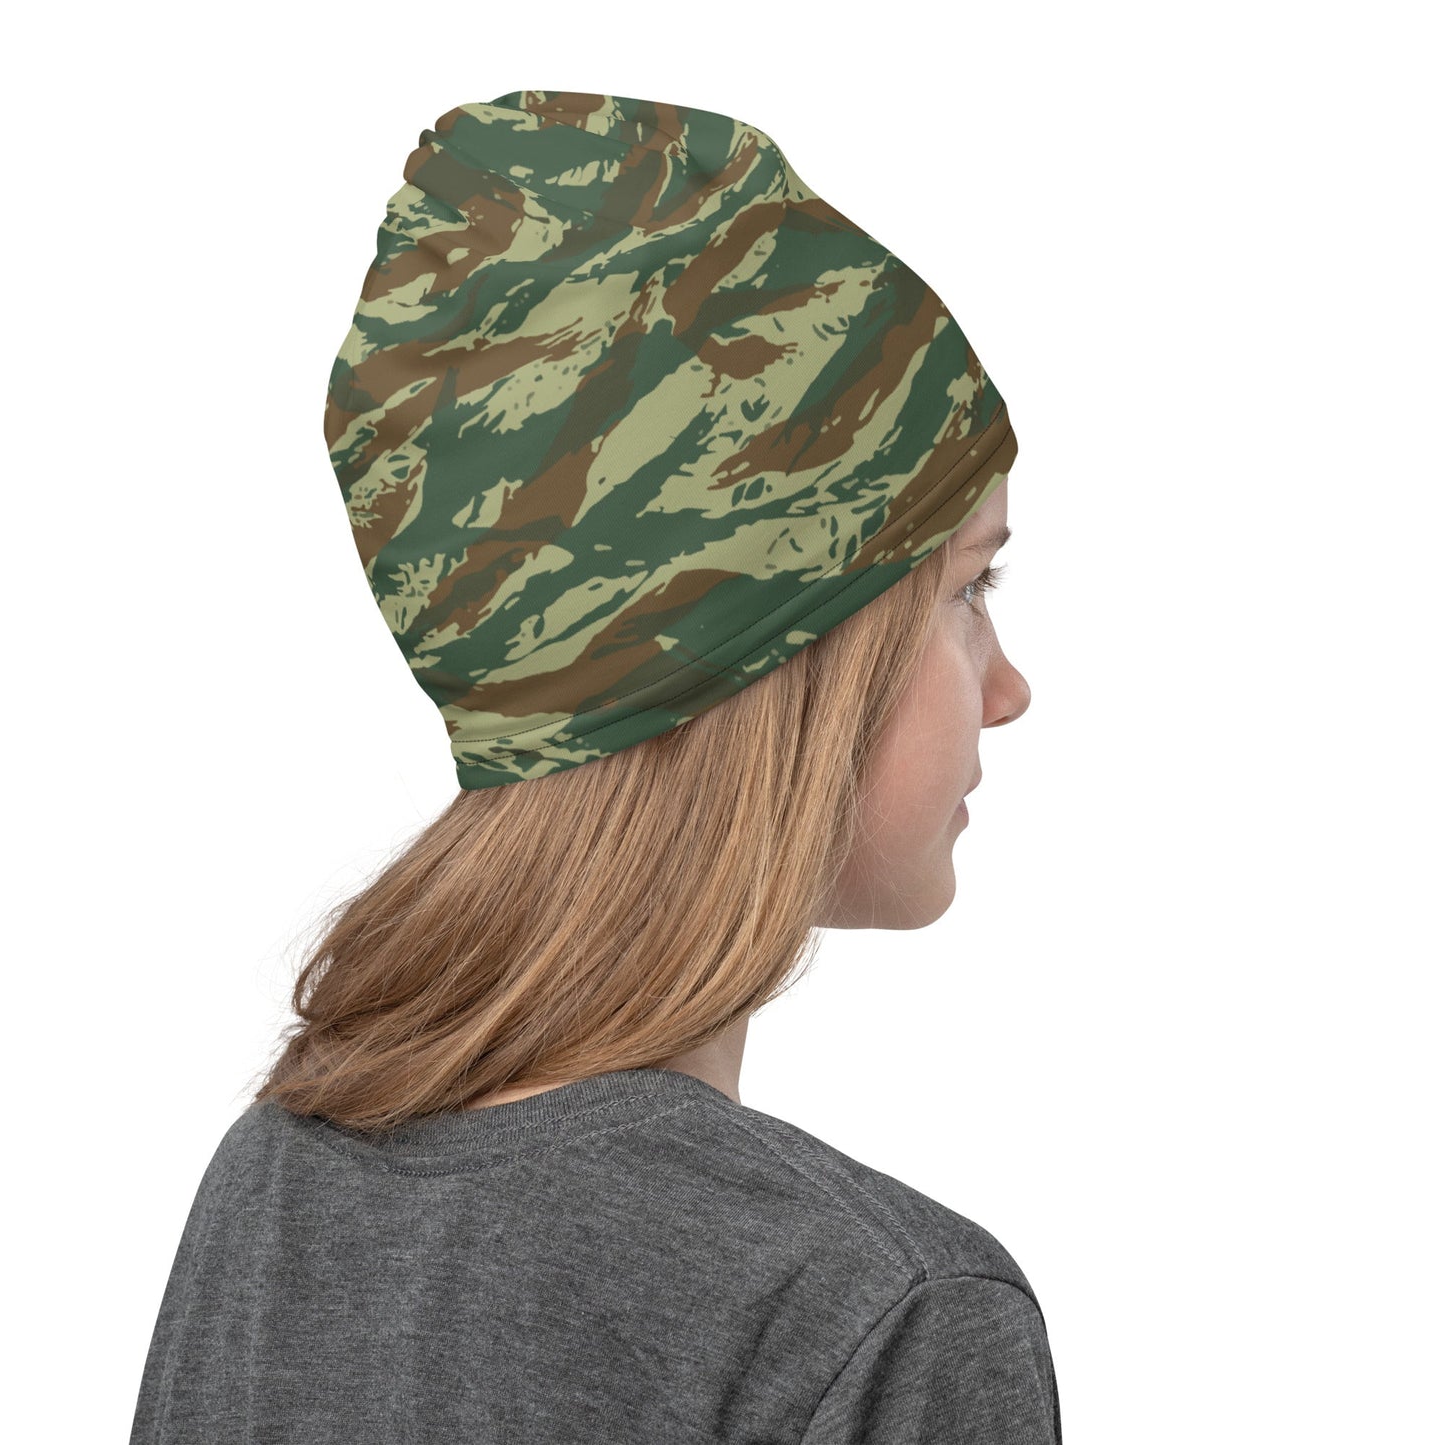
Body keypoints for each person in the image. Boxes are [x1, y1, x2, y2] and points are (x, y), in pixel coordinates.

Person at [130, 90, 1058, 1443]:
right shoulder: (878, 1309)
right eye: (970, 588)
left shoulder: (282, 1183)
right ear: (781, 656)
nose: (1009, 688)